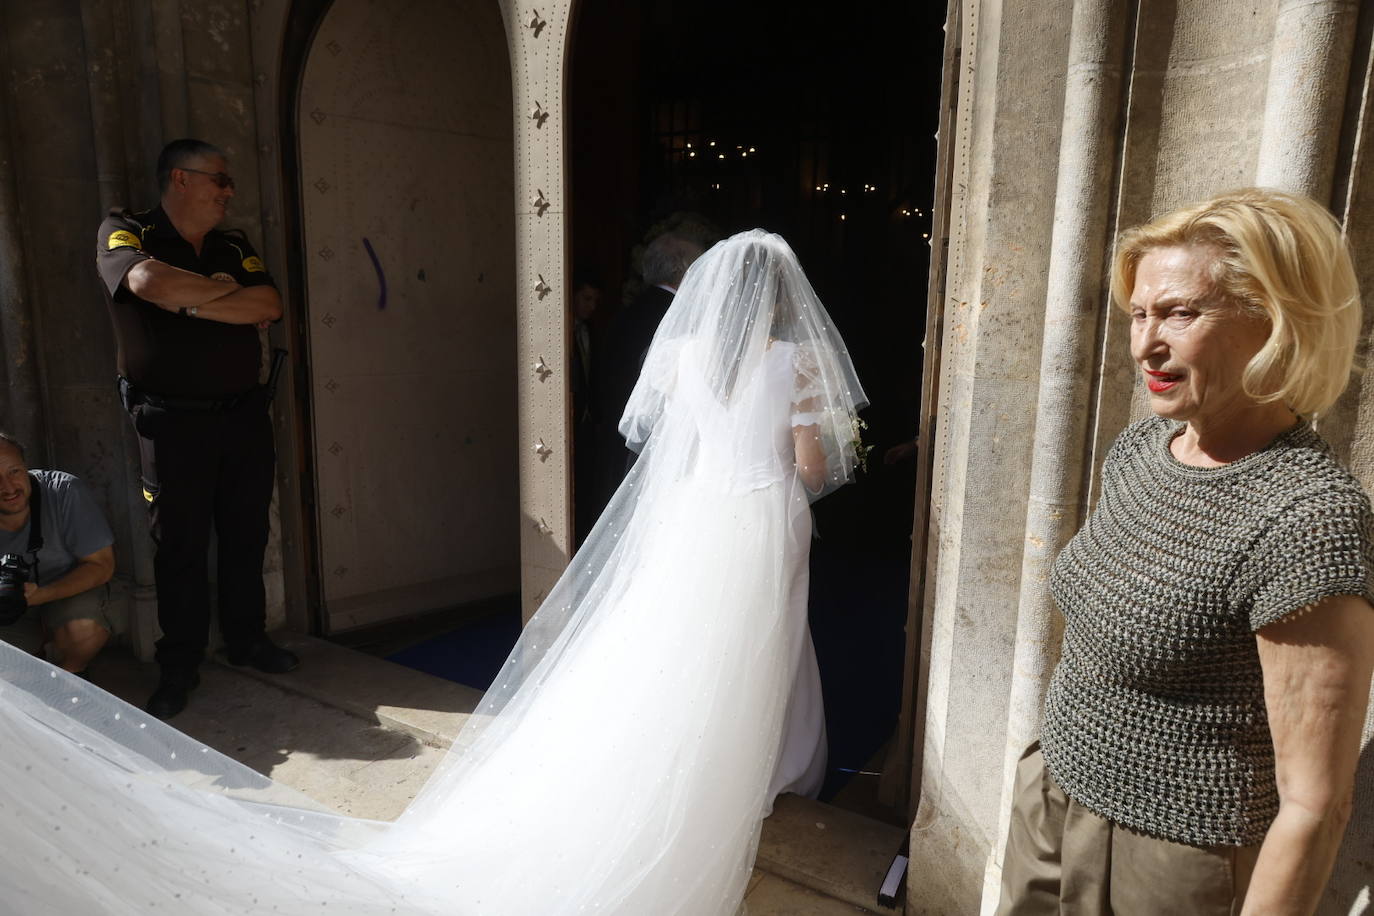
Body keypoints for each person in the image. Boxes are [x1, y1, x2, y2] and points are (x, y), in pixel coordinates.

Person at [0, 230, 867, 914]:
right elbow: (814, 467)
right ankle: (770, 768)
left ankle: (693, 756)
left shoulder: (682, 359)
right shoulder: (792, 361)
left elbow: (662, 446)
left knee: (679, 646)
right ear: (777, 293)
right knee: (761, 638)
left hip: (690, 516)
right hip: (756, 514)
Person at [997, 189, 1374, 915]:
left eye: (1180, 313)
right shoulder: (1143, 449)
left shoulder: (1308, 518)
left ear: (1275, 320)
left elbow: (1314, 804)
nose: (1145, 345)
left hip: (1170, 857)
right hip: (1052, 797)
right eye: (1139, 314)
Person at [94, 138, 297, 721]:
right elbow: (145, 284)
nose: (228, 192)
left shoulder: (232, 243)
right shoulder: (125, 228)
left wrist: (190, 301)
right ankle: (179, 664)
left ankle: (247, 639)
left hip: (242, 415)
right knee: (179, 546)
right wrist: (219, 299)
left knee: (246, 531)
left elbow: (269, 304)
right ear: (180, 179)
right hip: (169, 421)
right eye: (219, 180)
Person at [594, 231, 704, 509]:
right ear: (684, 269)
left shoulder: (627, 313)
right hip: (657, 447)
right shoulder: (679, 318)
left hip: (616, 438)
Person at [0, 432, 115, 674]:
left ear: (26, 467)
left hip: (65, 593)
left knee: (83, 630)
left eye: (14, 472)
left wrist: (37, 596)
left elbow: (102, 565)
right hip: (8, 613)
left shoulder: (63, 491)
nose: (8, 488)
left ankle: (67, 678)